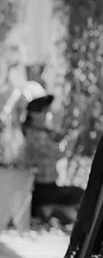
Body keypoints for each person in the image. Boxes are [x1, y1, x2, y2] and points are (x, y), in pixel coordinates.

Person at [19, 94, 84, 225]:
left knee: (76, 202)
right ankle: (49, 208)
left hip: (49, 188)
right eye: (45, 112)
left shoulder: (41, 132)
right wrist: (70, 140)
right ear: (34, 114)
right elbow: (57, 152)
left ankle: (51, 210)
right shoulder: (34, 135)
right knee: (81, 195)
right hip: (40, 189)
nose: (48, 115)